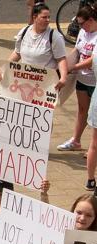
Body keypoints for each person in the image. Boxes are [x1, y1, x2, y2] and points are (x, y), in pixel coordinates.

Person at [57, 6, 97, 152]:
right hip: (82, 79)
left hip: (95, 81)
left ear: (91, 20)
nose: (80, 27)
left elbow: (93, 60)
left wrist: (73, 68)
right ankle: (76, 140)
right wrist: (66, 64)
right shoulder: (83, 32)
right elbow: (77, 50)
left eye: (82, 23)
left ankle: (94, 146)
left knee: (95, 115)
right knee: (82, 110)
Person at [5, 3, 69, 91]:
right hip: (25, 81)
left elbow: (61, 59)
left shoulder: (55, 37)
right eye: (44, 17)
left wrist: (63, 78)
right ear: (35, 17)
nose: (48, 20)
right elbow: (17, 53)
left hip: (46, 84)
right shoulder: (24, 32)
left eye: (48, 17)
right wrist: (4, 68)